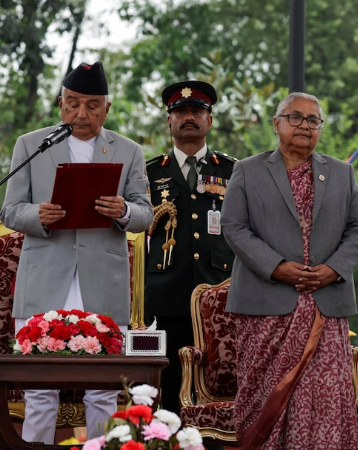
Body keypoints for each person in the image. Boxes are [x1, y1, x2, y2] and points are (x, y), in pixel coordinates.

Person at [0, 61, 153, 444]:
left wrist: (123, 210)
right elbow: (10, 210)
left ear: (107, 108)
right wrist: (38, 215)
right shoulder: (31, 144)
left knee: (103, 391)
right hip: (44, 281)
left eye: (91, 105)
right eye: (72, 103)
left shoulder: (129, 150)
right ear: (60, 103)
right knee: (40, 392)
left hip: (102, 283)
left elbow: (145, 214)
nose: (80, 113)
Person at [220, 92, 358, 449]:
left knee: (326, 403)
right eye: (295, 117)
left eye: (313, 120)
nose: (304, 125)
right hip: (265, 306)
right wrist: (276, 267)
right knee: (263, 401)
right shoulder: (248, 170)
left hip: (325, 305)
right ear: (277, 124)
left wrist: (333, 269)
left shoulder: (342, 173)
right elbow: (233, 226)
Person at [144, 80, 236, 415]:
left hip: (221, 292)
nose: (189, 118)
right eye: (180, 111)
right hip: (166, 292)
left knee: (223, 384)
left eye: (196, 111)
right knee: (169, 388)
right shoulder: (148, 172)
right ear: (169, 121)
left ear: (209, 120)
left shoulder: (232, 170)